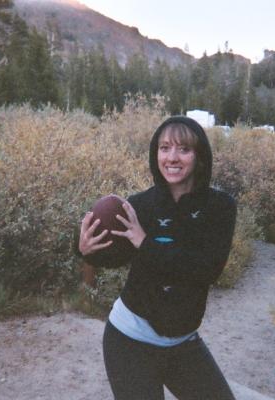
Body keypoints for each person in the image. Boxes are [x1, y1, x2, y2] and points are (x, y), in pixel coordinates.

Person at [78, 116, 237, 400]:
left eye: (183, 149)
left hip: (183, 342)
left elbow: (206, 270)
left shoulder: (220, 207)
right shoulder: (140, 205)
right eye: (164, 148)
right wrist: (87, 250)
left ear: (200, 156)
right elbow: (117, 257)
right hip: (128, 341)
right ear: (155, 154)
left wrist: (145, 243)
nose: (172, 158)